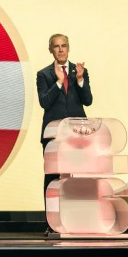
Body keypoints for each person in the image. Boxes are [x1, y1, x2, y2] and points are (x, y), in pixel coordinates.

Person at [36, 33, 92, 214]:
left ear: (68, 48)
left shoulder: (79, 71)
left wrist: (81, 80)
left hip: (77, 133)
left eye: (64, 45)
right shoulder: (44, 74)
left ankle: (78, 217)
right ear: (50, 50)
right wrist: (59, 82)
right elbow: (44, 102)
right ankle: (52, 221)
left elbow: (88, 100)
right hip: (54, 135)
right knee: (52, 177)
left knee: (79, 176)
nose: (61, 49)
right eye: (56, 46)